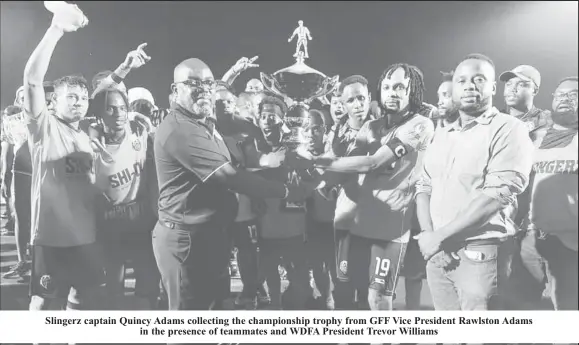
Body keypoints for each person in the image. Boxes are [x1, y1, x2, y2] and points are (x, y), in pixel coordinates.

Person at [153, 58, 310, 315]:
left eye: (207, 83)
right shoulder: (181, 130)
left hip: (208, 233)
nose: (203, 89)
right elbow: (230, 176)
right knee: (189, 317)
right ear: (175, 91)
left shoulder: (202, 120)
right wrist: (284, 191)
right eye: (193, 83)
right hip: (187, 239)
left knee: (212, 308)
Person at [308, 64, 435, 312]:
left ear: (413, 91)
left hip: (389, 230)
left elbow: (372, 163)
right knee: (345, 291)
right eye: (386, 87)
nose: (392, 93)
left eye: (399, 87)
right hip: (355, 225)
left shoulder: (420, 125)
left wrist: (319, 161)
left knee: (378, 299)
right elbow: (349, 162)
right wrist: (324, 178)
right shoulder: (371, 127)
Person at [415, 53, 534, 311]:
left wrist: (439, 236)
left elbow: (499, 193)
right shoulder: (441, 134)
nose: (469, 85)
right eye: (462, 80)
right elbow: (424, 187)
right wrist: (429, 237)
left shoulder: (509, 129)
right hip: (437, 254)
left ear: (492, 87)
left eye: (479, 79)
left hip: (480, 253)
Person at [24, 11, 104, 311]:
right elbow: (32, 80)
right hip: (51, 236)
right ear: (53, 102)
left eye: (82, 96)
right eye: (69, 96)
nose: (78, 101)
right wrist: (56, 29)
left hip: (85, 236)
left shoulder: (85, 137)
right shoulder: (43, 127)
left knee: (81, 298)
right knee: (44, 303)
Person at [510, 76, 578, 310]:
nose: (565, 99)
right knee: (520, 308)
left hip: (571, 241)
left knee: (567, 309)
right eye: (560, 94)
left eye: (573, 95)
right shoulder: (538, 138)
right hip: (531, 237)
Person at [241, 95, 313, 310]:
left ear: (283, 120)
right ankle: (274, 304)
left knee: (297, 272)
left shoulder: (295, 143)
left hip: (293, 221)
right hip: (267, 221)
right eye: (263, 116)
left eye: (272, 116)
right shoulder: (250, 143)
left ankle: (299, 307)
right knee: (268, 268)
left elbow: (309, 176)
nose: (266, 121)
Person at [3, 84, 55, 279]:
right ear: (18, 101)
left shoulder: (51, 118)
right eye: (23, 98)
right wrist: (5, 178)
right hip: (22, 172)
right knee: (21, 217)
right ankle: (22, 261)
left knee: (44, 217)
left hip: (46, 171)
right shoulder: (12, 122)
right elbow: (7, 152)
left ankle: (44, 262)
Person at [300, 109, 338, 310]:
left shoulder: (333, 156)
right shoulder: (297, 157)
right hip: (310, 223)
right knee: (316, 266)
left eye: (316, 129)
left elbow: (332, 192)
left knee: (335, 266)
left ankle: (337, 299)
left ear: (324, 130)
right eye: (306, 129)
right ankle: (326, 296)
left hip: (334, 223)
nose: (310, 134)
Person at [499, 65, 553, 144]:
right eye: (508, 84)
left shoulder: (548, 120)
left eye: (521, 85)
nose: (512, 89)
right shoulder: (495, 119)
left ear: (534, 91)